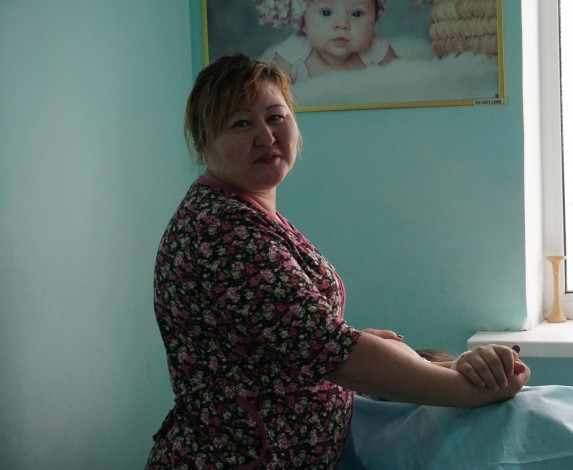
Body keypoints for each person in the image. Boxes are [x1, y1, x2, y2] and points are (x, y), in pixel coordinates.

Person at [145, 52, 529, 469]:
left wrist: (367, 345)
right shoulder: (221, 231)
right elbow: (332, 352)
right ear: (203, 141)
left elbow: (281, 340)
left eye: (276, 117)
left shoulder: (248, 214)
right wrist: (468, 391)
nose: (266, 136)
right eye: (241, 123)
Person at [257, 0, 397, 83]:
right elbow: (268, 95)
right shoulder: (292, 54)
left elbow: (403, 86)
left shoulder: (378, 51)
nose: (342, 24)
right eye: (326, 12)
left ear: (375, 20)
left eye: (356, 13)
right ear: (303, 22)